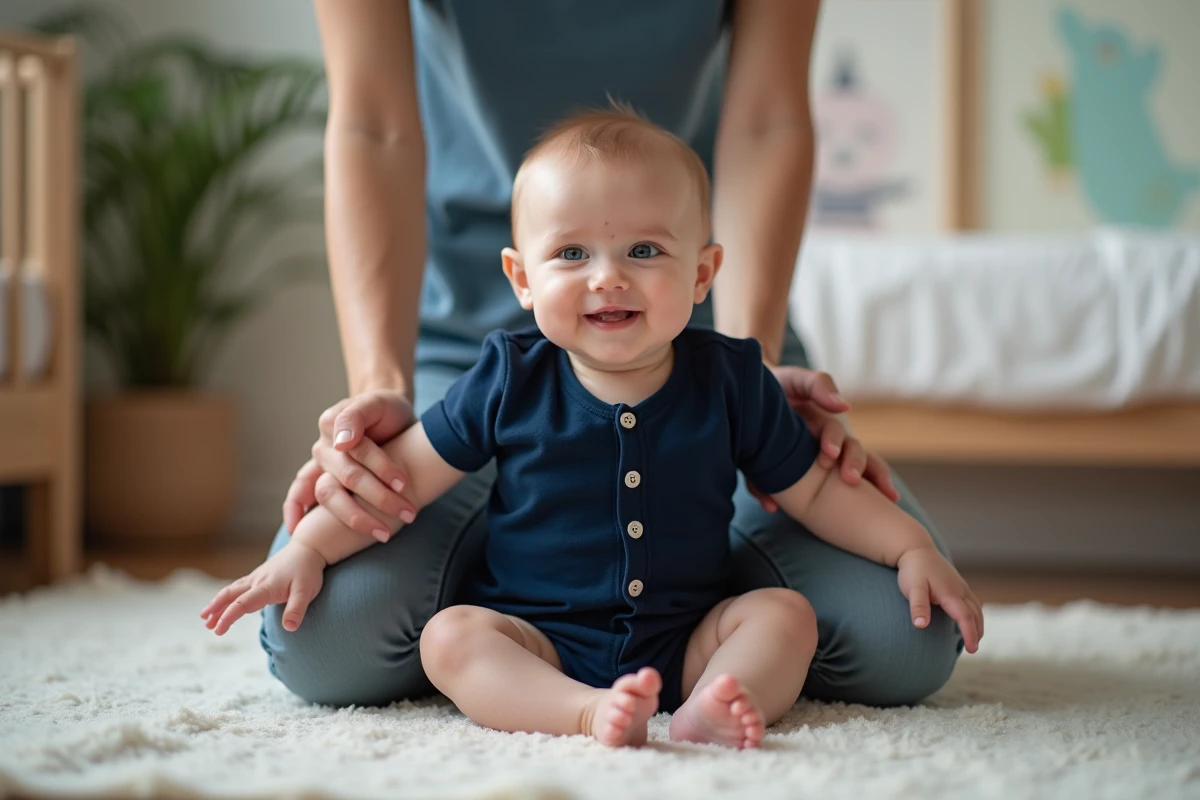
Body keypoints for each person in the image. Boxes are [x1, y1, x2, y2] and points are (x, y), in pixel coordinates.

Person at [252, 0, 966, 710]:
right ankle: (529, 644)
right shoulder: (505, 376)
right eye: (571, 254)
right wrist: (312, 539)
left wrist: (905, 544)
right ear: (522, 277)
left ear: (702, 271)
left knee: (910, 637)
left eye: (643, 251)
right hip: (447, 351)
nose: (608, 278)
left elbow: (768, 120)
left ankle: (706, 692)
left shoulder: (730, 382)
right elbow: (373, 128)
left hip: (730, 355)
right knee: (326, 642)